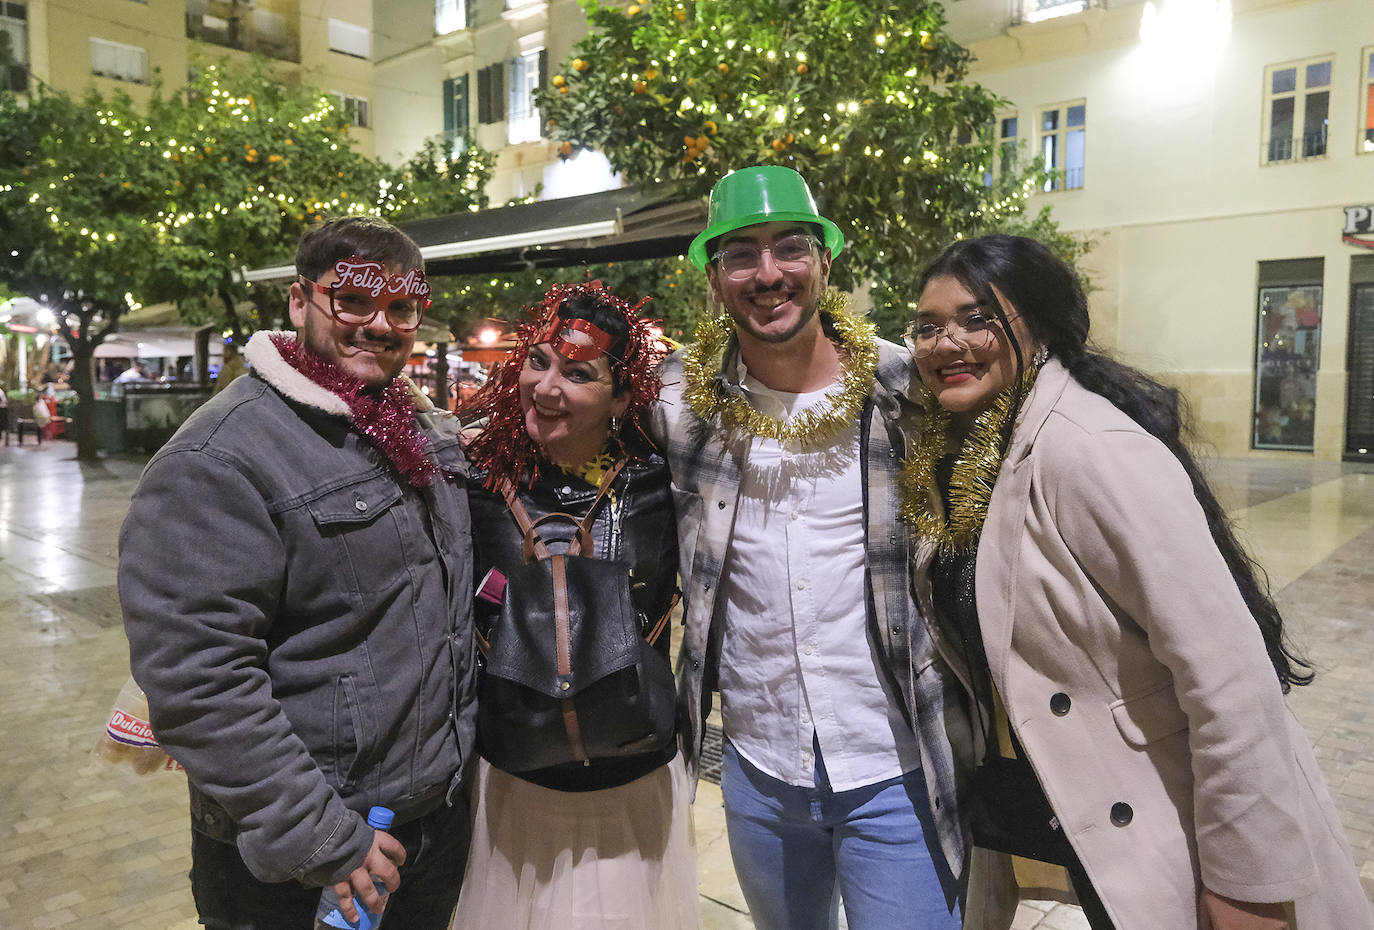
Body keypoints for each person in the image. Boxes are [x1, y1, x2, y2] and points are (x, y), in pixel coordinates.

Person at [904, 234, 1374, 930]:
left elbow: (1228, 676)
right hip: (1075, 811)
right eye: (928, 327)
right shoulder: (972, 451)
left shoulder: (1089, 449)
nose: (948, 343)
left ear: (1038, 326)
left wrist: (1249, 882)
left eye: (977, 319)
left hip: (1174, 818)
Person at [119, 216, 478, 930]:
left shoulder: (418, 427)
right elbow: (198, 679)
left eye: (401, 307)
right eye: (352, 300)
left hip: (427, 828)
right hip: (303, 862)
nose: (379, 325)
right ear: (298, 301)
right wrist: (324, 839)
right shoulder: (220, 456)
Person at [649, 165, 966, 930]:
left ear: (825, 261)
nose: (768, 273)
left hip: (896, 764)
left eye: (790, 247)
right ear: (715, 280)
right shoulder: (678, 403)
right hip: (759, 769)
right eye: (740, 255)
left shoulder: (908, 391)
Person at [451, 281, 697, 930]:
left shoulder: (665, 478)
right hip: (512, 777)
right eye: (538, 361)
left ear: (621, 398)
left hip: (633, 776)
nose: (547, 387)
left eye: (578, 373)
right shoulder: (471, 475)